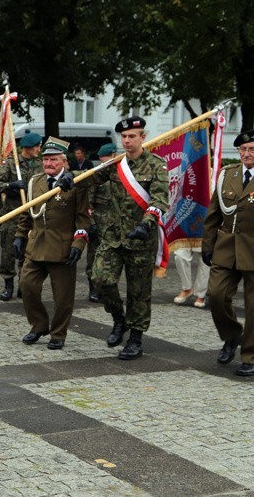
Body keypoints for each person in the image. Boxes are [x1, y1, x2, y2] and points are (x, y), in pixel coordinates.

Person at [91, 116, 168, 360]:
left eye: (131, 136)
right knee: (100, 278)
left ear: (142, 137)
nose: (126, 140)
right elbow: (90, 176)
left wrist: (147, 224)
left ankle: (135, 338)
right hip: (113, 236)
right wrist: (69, 178)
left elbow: (159, 199)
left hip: (140, 238)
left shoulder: (157, 165)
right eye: (123, 136)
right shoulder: (116, 164)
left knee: (139, 291)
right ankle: (118, 318)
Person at [202, 128, 254, 376]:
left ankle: (251, 356)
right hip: (227, 248)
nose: (246, 153)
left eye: (252, 149)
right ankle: (232, 335)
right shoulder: (226, 175)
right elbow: (213, 214)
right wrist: (207, 246)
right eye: (242, 149)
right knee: (216, 296)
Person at [15, 137, 89, 349]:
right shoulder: (34, 182)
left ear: (64, 161)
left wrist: (78, 244)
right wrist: (20, 235)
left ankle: (58, 333)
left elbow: (83, 218)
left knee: (63, 297)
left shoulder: (75, 184)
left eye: (53, 160)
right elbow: (28, 213)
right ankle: (39, 325)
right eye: (45, 160)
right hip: (36, 246)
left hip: (62, 248)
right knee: (27, 286)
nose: (48, 164)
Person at [0, 131, 42, 301]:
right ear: (28, 148)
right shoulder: (12, 164)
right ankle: (8, 285)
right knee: (9, 253)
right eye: (37, 146)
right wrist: (10, 185)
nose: (39, 150)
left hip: (32, 216)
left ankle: (23, 285)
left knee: (29, 254)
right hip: (12, 216)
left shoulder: (40, 165)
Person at [86, 142, 116, 302]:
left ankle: (107, 289)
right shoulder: (98, 174)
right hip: (98, 222)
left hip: (114, 224)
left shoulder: (119, 173)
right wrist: (91, 223)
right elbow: (88, 201)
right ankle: (93, 289)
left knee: (111, 258)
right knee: (94, 256)